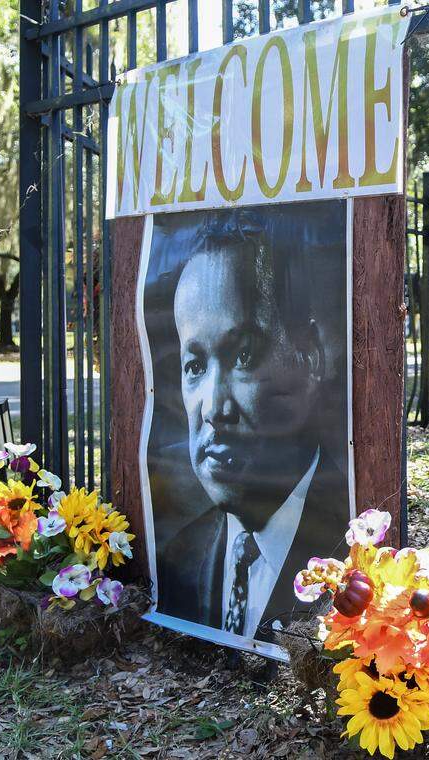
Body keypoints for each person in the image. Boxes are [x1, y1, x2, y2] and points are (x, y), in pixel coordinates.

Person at [154, 222, 349, 639]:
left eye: (243, 356)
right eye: (195, 367)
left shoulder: (355, 548)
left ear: (309, 358)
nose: (213, 408)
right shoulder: (180, 556)